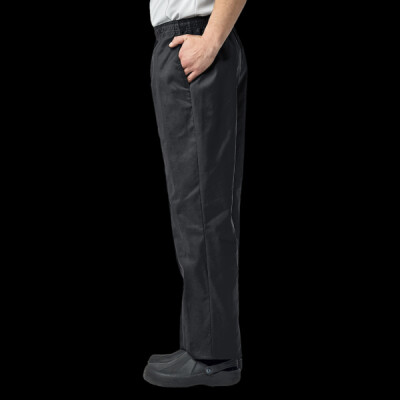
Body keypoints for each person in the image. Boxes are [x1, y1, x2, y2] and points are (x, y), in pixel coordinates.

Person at [144, 0, 248, 387]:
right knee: (212, 205)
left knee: (199, 207)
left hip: (195, 41)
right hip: (202, 41)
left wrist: (211, 40)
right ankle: (210, 345)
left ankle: (211, 355)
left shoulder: (200, 41)